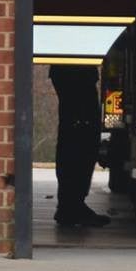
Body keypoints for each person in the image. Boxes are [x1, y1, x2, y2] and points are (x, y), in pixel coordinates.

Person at [49, 62, 108, 227]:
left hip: (71, 72)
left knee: (74, 137)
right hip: (77, 74)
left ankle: (70, 205)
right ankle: (71, 206)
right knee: (80, 139)